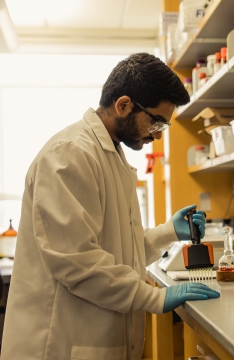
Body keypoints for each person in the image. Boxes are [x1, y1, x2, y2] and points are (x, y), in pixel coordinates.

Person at [1, 53, 220, 360]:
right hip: (57, 345)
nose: (157, 136)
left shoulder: (111, 156)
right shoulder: (70, 155)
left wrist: (166, 233)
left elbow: (117, 251)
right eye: (156, 121)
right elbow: (77, 261)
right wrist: (154, 297)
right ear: (123, 105)